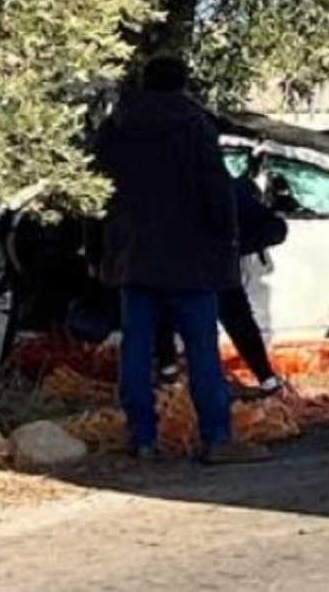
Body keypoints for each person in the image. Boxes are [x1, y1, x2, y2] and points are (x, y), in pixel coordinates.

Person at [93, 55, 269, 464]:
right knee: (202, 351)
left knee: (136, 350)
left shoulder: (115, 128)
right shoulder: (194, 127)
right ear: (183, 83)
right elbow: (215, 191)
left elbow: (94, 191)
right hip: (191, 260)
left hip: (134, 258)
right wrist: (226, 240)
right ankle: (217, 438)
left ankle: (141, 438)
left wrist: (101, 250)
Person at [156, 173, 289, 398]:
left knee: (173, 321)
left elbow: (274, 228)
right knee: (236, 322)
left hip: (187, 272)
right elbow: (275, 228)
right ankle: (265, 379)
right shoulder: (224, 186)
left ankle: (170, 373)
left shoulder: (159, 183)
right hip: (210, 271)